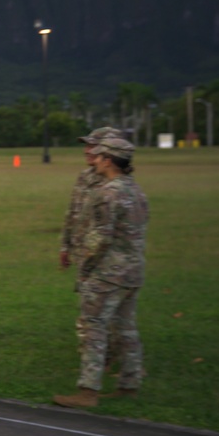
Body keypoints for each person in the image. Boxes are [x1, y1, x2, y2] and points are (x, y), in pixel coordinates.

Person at [53, 137, 148, 409]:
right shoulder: (136, 191)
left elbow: (102, 237)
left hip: (108, 273)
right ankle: (129, 384)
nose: (93, 159)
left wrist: (85, 262)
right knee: (127, 328)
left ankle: (88, 391)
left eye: (99, 156)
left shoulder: (107, 193)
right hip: (133, 271)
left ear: (108, 160)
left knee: (94, 328)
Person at [59, 127, 123, 270]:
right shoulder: (85, 177)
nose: (86, 151)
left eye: (93, 146)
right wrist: (65, 246)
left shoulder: (116, 185)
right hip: (85, 257)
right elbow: (72, 213)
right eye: (86, 146)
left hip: (108, 263)